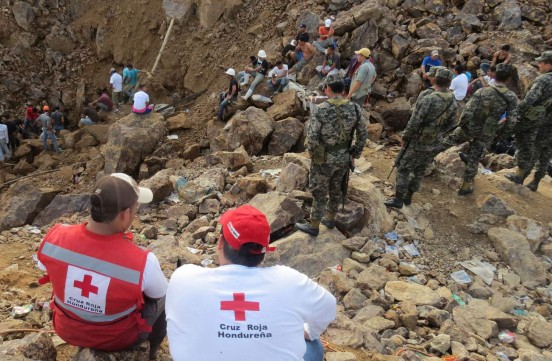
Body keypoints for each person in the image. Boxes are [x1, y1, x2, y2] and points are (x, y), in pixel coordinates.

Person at [166, 204, 336, 361]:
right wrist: (309, 332)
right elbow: (328, 307)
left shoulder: (184, 278)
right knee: (313, 345)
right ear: (264, 252)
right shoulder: (289, 282)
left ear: (220, 243)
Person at [36, 173, 168, 354]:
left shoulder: (55, 237)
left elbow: (44, 267)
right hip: (116, 338)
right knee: (164, 297)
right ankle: (152, 352)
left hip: (67, 329)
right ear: (126, 214)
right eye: (135, 208)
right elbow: (159, 293)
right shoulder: (143, 261)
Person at [295, 75, 367, 236]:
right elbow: (363, 134)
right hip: (343, 157)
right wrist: (354, 153)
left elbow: (312, 137)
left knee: (319, 192)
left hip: (323, 159)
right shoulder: (354, 108)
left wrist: (312, 154)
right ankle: (330, 218)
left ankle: (313, 226)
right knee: (336, 189)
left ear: (328, 89)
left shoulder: (322, 109)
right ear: (342, 91)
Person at [384, 68, 458, 208]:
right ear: (449, 83)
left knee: (404, 168)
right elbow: (451, 125)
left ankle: (398, 199)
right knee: (421, 168)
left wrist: (405, 136)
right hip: (435, 141)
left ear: (435, 79)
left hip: (418, 141)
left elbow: (415, 120)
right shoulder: (452, 101)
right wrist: (437, 132)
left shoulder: (429, 99)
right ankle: (409, 197)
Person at [450, 64, 519, 196]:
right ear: (508, 79)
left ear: (494, 75)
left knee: (448, 141)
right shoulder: (511, 97)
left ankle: (425, 161)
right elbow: (511, 122)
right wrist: (499, 135)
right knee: (475, 157)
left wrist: (461, 125)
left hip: (470, 127)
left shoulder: (483, 91)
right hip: (488, 131)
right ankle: (466, 186)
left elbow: (467, 112)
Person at [505, 51, 552, 191]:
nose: (538, 65)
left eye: (541, 63)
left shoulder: (544, 80)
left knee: (533, 148)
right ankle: (535, 182)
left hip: (540, 121)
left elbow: (530, 100)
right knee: (547, 151)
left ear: (549, 65)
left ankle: (520, 176)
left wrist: (516, 113)